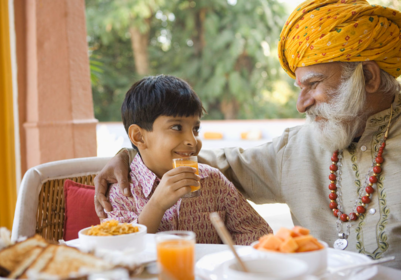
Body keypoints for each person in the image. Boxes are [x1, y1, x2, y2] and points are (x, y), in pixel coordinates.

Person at [94, 0, 401, 267]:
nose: (301, 104)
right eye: (300, 87)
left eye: (314, 84)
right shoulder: (295, 149)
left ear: (369, 77)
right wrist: (133, 154)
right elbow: (213, 166)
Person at [102, 75, 272, 245]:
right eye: (177, 127)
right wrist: (156, 205)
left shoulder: (213, 181)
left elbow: (256, 233)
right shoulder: (121, 192)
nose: (192, 140)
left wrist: (223, 261)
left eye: (195, 129)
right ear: (139, 136)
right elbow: (121, 248)